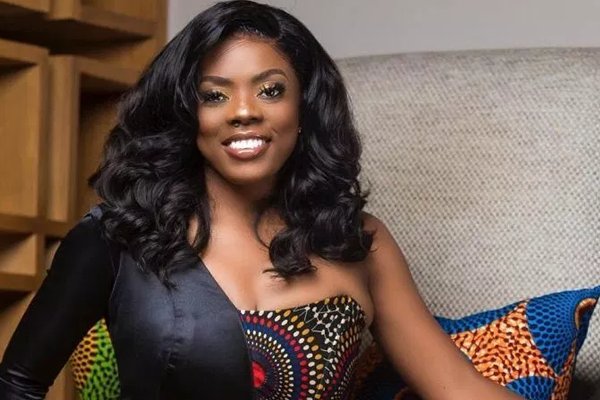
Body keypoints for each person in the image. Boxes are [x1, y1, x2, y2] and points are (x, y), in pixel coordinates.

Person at [0, 1, 524, 399]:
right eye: (214, 95)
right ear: (186, 114)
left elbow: (459, 389)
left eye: (270, 90)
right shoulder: (117, 237)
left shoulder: (358, 240)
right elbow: (16, 384)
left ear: (305, 107)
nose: (243, 111)